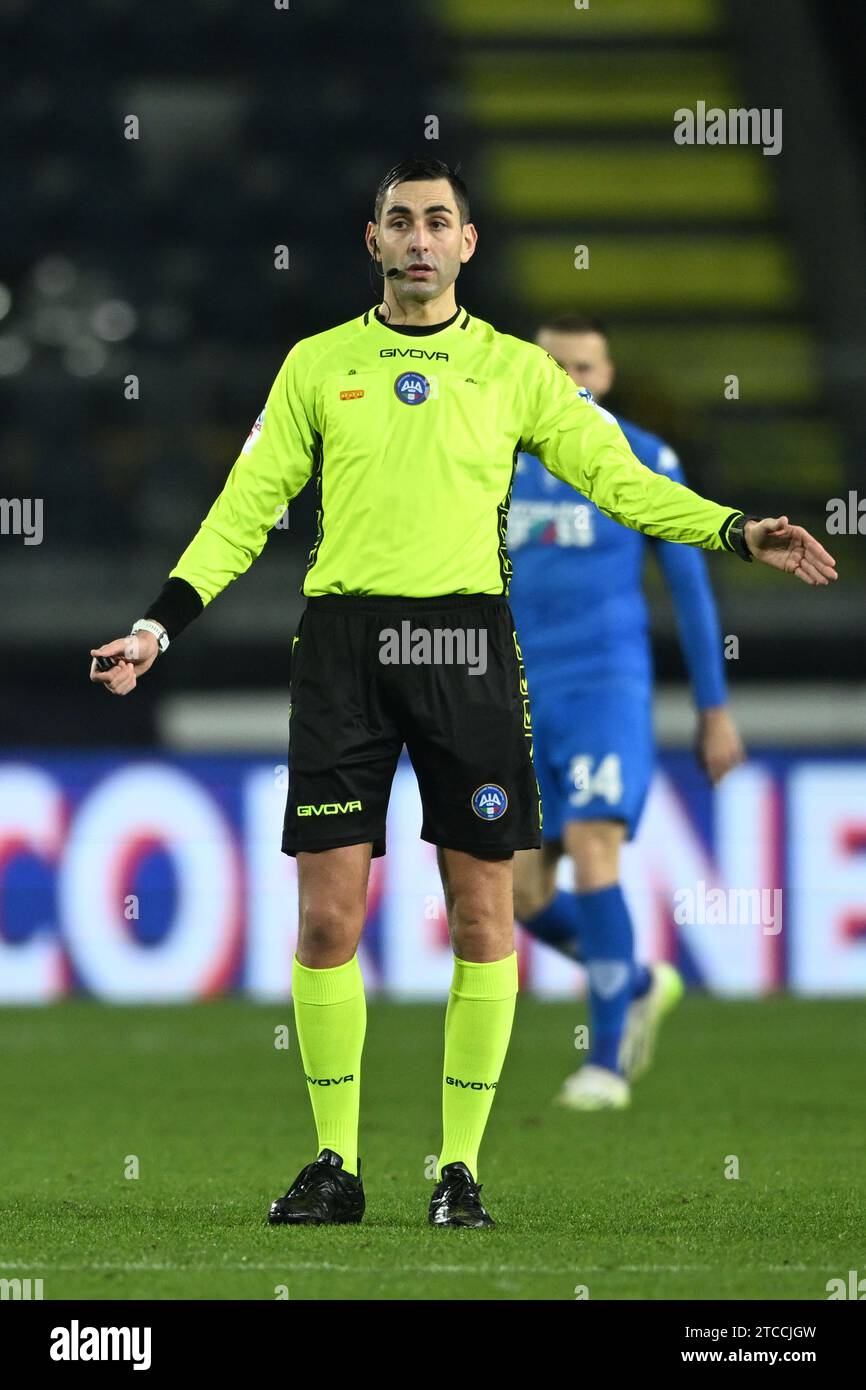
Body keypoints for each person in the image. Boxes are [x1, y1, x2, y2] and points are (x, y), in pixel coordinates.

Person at [89, 157, 837, 1230]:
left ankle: (457, 1171)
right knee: (326, 917)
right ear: (374, 240)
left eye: (439, 220)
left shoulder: (518, 373)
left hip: (467, 645)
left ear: (467, 243)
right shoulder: (317, 365)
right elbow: (243, 507)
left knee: (484, 912)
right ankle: (334, 1163)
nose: (420, 238)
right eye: (401, 221)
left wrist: (733, 527)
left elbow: (615, 478)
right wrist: (161, 623)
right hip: (341, 648)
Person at [509, 314, 745, 1110]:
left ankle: (604, 1066)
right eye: (555, 365)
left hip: (604, 689)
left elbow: (690, 589)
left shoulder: (643, 457)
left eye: (584, 367)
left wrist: (713, 710)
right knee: (518, 896)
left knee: (593, 845)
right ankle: (637, 981)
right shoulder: (493, 452)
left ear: (604, 378)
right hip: (511, 696)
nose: (571, 379)